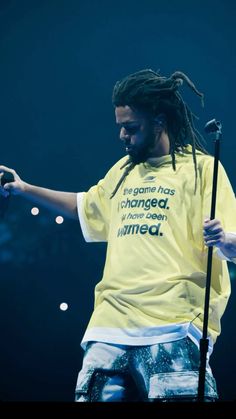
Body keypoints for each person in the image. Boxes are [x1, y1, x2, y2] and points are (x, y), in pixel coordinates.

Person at [1, 69, 236, 402]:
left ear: (159, 121)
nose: (123, 136)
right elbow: (84, 206)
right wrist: (25, 189)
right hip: (108, 325)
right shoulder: (123, 172)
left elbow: (232, 240)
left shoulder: (202, 170)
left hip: (174, 325)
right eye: (120, 127)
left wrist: (225, 240)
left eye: (131, 128)